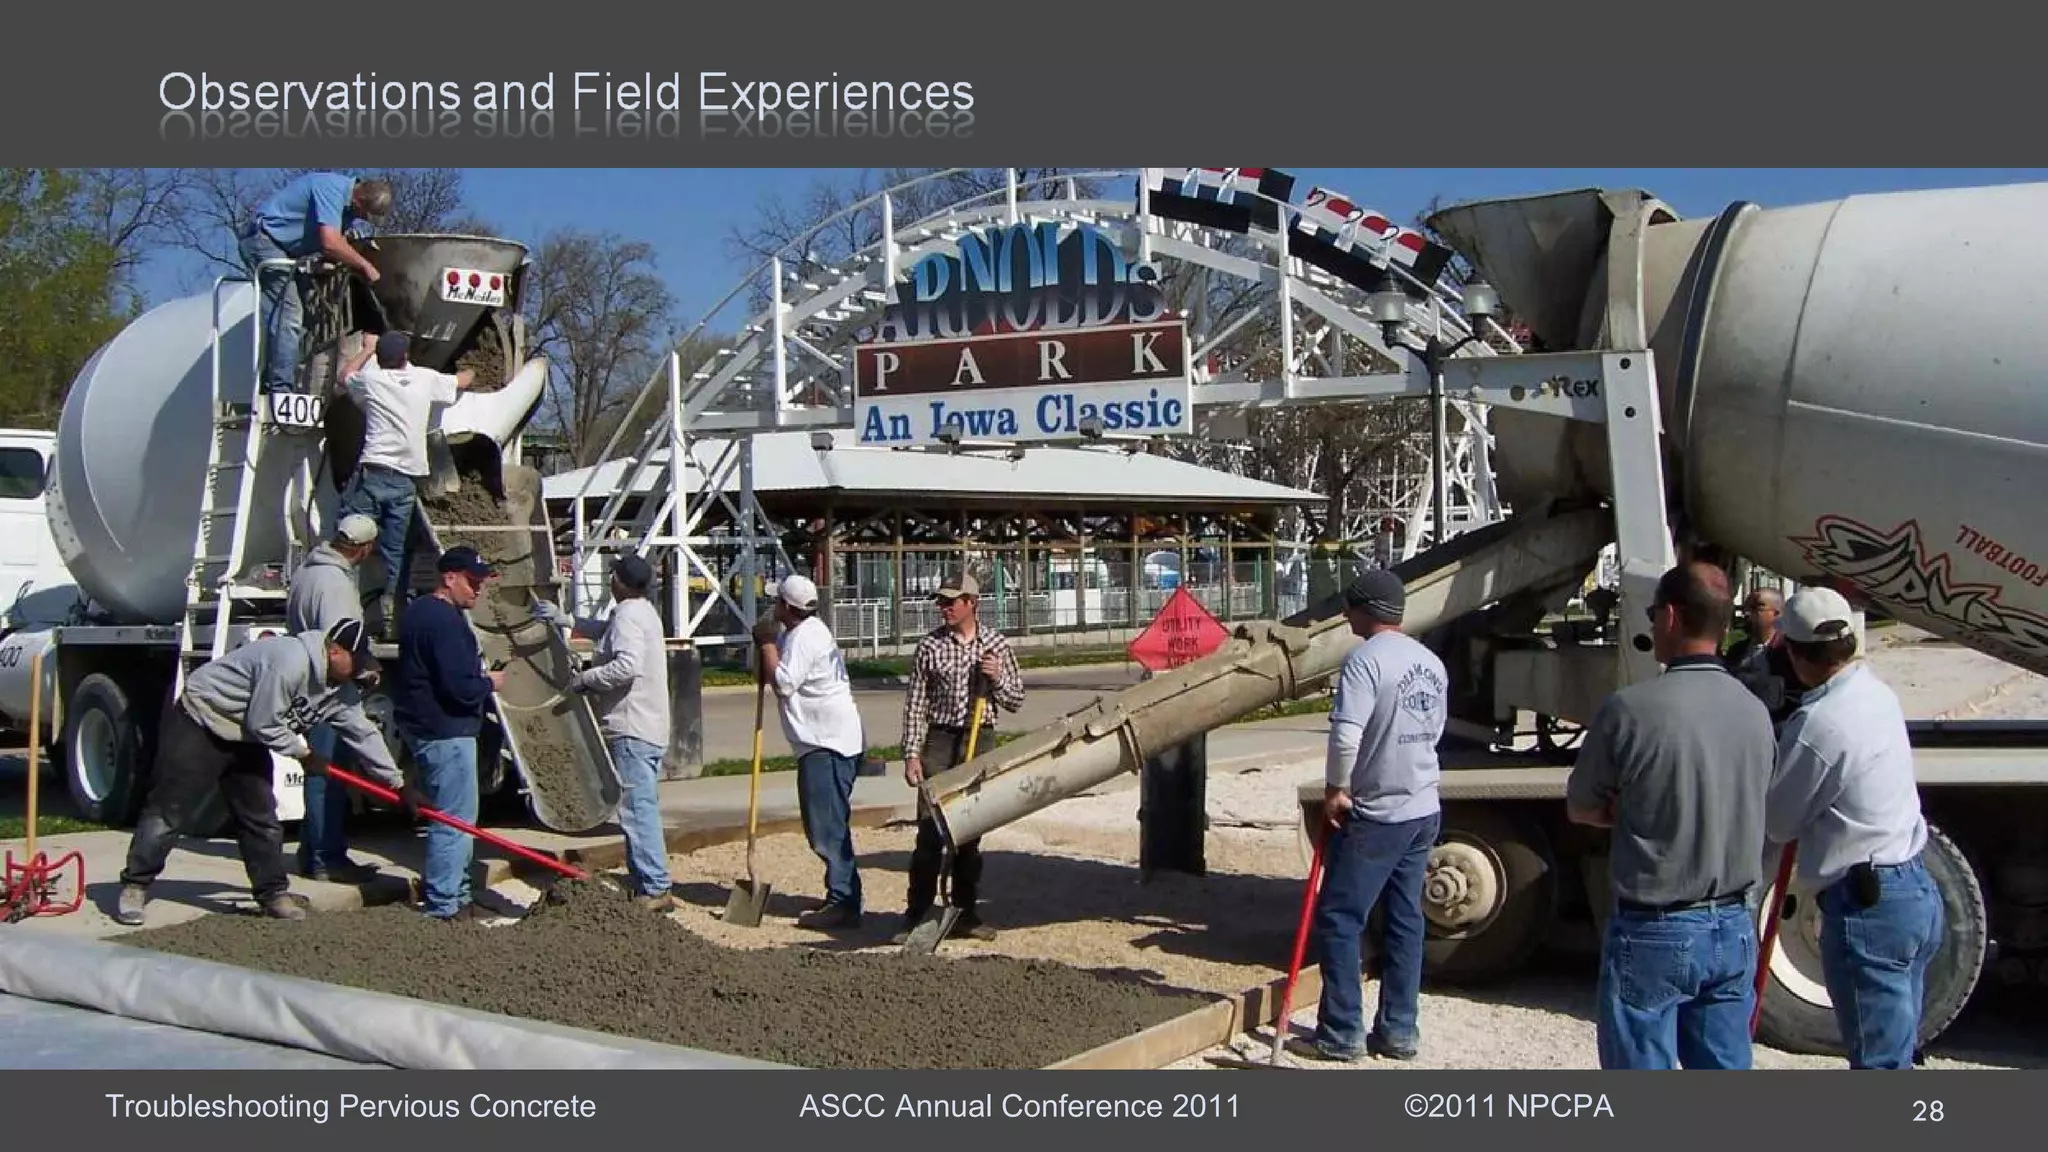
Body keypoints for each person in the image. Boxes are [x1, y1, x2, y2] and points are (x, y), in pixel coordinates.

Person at [1565, 561, 1777, 1070]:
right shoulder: (1754, 710)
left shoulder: (1630, 710)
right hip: (1734, 923)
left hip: (1656, 923)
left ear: (1673, 617)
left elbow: (1583, 805)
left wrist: (1643, 810)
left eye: (1653, 612)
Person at [114, 619, 419, 927]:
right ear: (334, 650)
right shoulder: (290, 661)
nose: (358, 672)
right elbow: (265, 721)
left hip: (246, 736)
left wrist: (398, 784)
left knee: (260, 818)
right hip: (203, 718)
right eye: (356, 662)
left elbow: (363, 734)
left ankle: (272, 893)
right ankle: (135, 885)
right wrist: (305, 755)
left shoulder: (341, 691)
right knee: (171, 809)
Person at [1764, 587, 1942, 1069]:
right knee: (1897, 1052)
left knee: (1879, 1066)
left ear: (1799, 655)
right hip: (1913, 891)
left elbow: (1780, 822)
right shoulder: (1876, 693)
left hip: (1870, 909)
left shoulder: (1821, 724)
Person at [1289, 570, 1447, 1063]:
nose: (1345, 616)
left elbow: (1345, 736)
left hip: (1379, 811)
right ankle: (1399, 1030)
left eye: (1349, 608)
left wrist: (1337, 789)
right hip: (1424, 806)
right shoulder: (1430, 662)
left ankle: (1341, 1033)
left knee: (1339, 917)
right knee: (1405, 918)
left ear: (1364, 611)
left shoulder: (1364, 662)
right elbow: (1434, 728)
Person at [531, 554, 676, 911]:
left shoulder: (627, 615)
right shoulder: (638, 611)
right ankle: (644, 879)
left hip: (631, 725)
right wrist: (566, 619)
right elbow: (607, 632)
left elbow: (626, 665)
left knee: (636, 809)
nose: (610, 578)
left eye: (613, 574)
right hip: (649, 724)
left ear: (622, 582)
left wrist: (585, 680)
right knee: (639, 806)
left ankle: (656, 887)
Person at [896, 573, 1024, 944]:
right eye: (941, 601)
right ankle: (916, 914)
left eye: (952, 601)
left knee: (969, 832)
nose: (944, 607)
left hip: (979, 739)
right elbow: (915, 704)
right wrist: (911, 754)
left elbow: (1016, 700)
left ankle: (965, 912)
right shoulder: (930, 647)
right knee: (930, 832)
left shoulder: (996, 645)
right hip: (939, 741)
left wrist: (997, 678)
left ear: (972, 603)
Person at [392, 546, 507, 922]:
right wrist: (488, 682)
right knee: (454, 821)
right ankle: (445, 905)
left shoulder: (419, 613)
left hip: (428, 727)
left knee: (453, 818)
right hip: (445, 731)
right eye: (472, 582)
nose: (477, 590)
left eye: (481, 583)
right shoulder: (443, 622)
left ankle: (457, 893)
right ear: (449, 578)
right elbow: (457, 686)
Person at [337, 330, 476, 639]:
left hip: (373, 474)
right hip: (404, 482)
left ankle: (342, 608)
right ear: (406, 357)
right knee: (397, 554)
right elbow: (462, 381)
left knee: (347, 542)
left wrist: (367, 349)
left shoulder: (371, 381)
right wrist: (471, 369)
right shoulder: (426, 380)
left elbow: (344, 375)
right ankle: (394, 621)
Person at [753, 574, 867, 931]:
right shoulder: (800, 633)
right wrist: (765, 649)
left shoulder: (807, 636)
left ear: (787, 606)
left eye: (776, 602)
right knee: (825, 825)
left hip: (827, 744)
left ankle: (843, 901)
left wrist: (768, 644)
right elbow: (770, 676)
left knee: (827, 829)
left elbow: (784, 683)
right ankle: (842, 894)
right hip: (822, 741)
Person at [285, 512, 384, 883]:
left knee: (319, 769)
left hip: (305, 684)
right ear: (364, 548)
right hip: (328, 691)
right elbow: (338, 643)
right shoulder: (336, 586)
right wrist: (364, 671)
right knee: (329, 774)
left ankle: (312, 853)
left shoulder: (306, 573)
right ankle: (328, 858)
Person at [239, 173, 391, 395]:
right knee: (288, 315)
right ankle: (279, 389)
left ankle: (288, 379)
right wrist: (365, 266)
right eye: (364, 214)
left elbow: (328, 245)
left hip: (291, 253)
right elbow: (330, 242)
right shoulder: (330, 189)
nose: (363, 218)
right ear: (359, 200)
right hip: (265, 240)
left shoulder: (347, 209)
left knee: (308, 318)